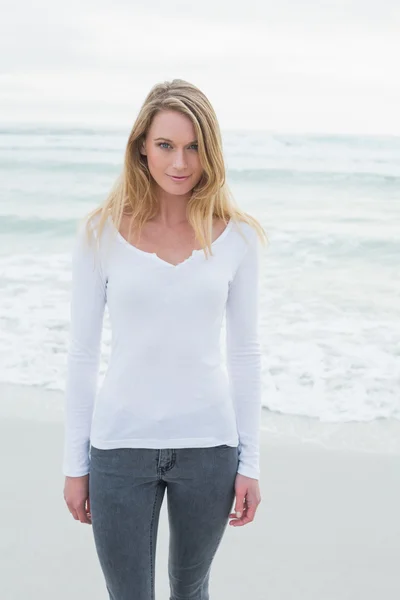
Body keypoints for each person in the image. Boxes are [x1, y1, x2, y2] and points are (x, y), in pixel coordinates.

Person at [62, 78, 268, 600]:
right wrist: (74, 466)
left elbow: (244, 355)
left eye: (194, 146)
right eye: (166, 145)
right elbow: (83, 355)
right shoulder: (99, 233)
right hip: (118, 448)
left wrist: (250, 463)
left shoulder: (238, 238)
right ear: (141, 148)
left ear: (210, 152)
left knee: (191, 589)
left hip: (209, 448)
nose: (181, 162)